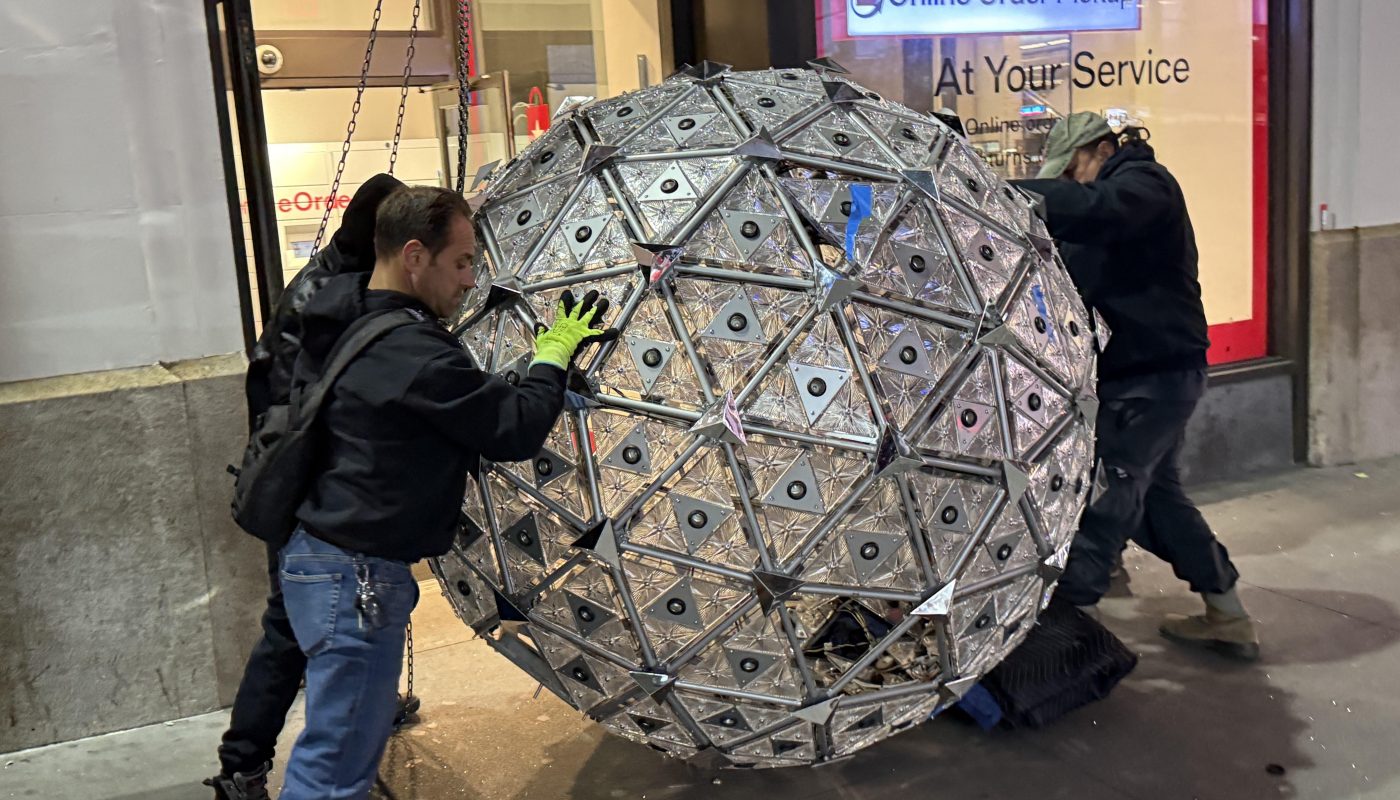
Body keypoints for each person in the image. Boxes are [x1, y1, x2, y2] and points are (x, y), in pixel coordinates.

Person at [274, 185, 615, 798]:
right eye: (460, 263)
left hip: (325, 561)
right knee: (336, 766)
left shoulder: (350, 317)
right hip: (357, 578)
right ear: (413, 256)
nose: (469, 282)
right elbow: (510, 428)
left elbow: (431, 412)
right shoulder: (412, 349)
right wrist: (552, 358)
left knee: (343, 746)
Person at [1013, 112, 1259, 661]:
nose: (1073, 182)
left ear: (1102, 149)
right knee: (1157, 502)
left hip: (1152, 375)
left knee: (1102, 500)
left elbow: (1098, 210)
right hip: (1142, 377)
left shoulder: (1147, 186)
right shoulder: (1109, 213)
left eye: (1073, 168)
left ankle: (1059, 648)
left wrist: (998, 191)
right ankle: (1227, 614)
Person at [207, 173, 408, 800]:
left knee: (304, 622)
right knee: (296, 626)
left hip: (292, 480)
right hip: (307, 492)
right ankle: (245, 764)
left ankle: (258, 756)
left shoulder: (323, 276)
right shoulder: (340, 296)